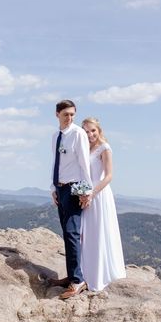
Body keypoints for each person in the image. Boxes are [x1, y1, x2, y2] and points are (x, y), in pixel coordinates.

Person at [48, 100, 93, 299]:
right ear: (57, 114)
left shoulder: (78, 134)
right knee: (66, 233)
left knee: (72, 232)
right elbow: (54, 162)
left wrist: (87, 191)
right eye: (66, 114)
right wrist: (53, 187)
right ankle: (71, 275)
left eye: (73, 114)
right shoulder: (55, 136)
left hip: (75, 188)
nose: (70, 118)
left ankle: (78, 280)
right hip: (60, 188)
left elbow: (84, 164)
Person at [79, 117, 126, 292]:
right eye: (86, 131)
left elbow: (109, 176)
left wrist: (93, 192)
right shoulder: (85, 148)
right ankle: (87, 273)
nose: (90, 134)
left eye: (93, 131)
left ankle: (101, 276)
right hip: (86, 196)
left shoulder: (105, 148)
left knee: (100, 232)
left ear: (99, 131)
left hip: (99, 195)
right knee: (88, 234)